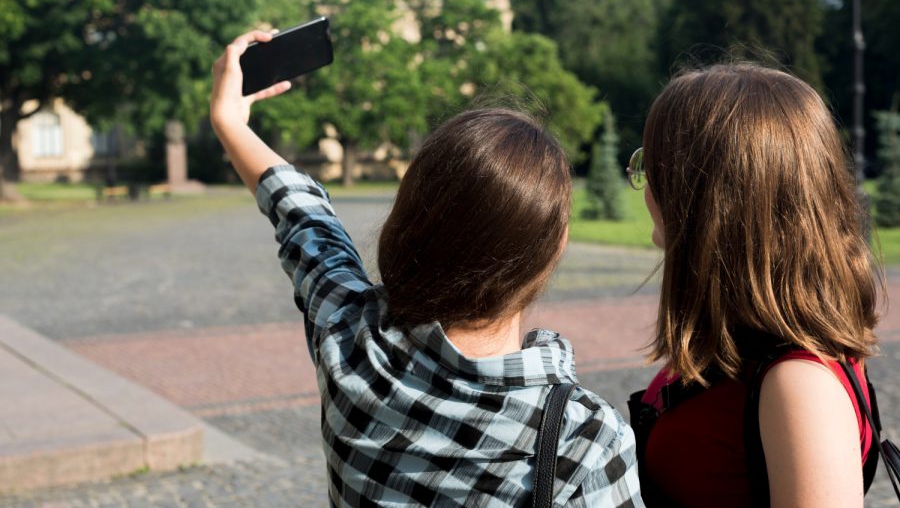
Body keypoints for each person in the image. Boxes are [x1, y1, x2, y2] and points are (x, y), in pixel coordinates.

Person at [210, 30, 644, 507]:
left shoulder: (351, 340)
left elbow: (305, 219)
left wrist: (230, 121)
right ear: (553, 248)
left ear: (410, 220)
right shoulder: (584, 441)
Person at [627, 63, 880, 508]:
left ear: (704, 198)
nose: (645, 185)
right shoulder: (744, 341)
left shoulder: (799, 385)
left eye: (651, 164)